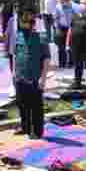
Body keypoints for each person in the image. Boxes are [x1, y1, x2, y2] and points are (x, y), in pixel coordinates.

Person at [13, 8, 51, 139]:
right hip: (20, 76)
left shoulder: (41, 38)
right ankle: (25, 127)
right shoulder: (18, 35)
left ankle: (37, 131)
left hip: (34, 77)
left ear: (32, 24)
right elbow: (15, 55)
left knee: (36, 106)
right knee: (22, 104)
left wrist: (43, 79)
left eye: (25, 23)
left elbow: (46, 59)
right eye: (21, 22)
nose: (22, 25)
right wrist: (14, 72)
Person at [53, 0, 75, 69]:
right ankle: (62, 63)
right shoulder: (57, 7)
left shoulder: (73, 6)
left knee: (71, 47)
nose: (64, 1)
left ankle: (71, 63)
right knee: (61, 47)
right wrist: (56, 28)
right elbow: (56, 19)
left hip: (71, 28)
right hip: (61, 28)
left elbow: (76, 16)